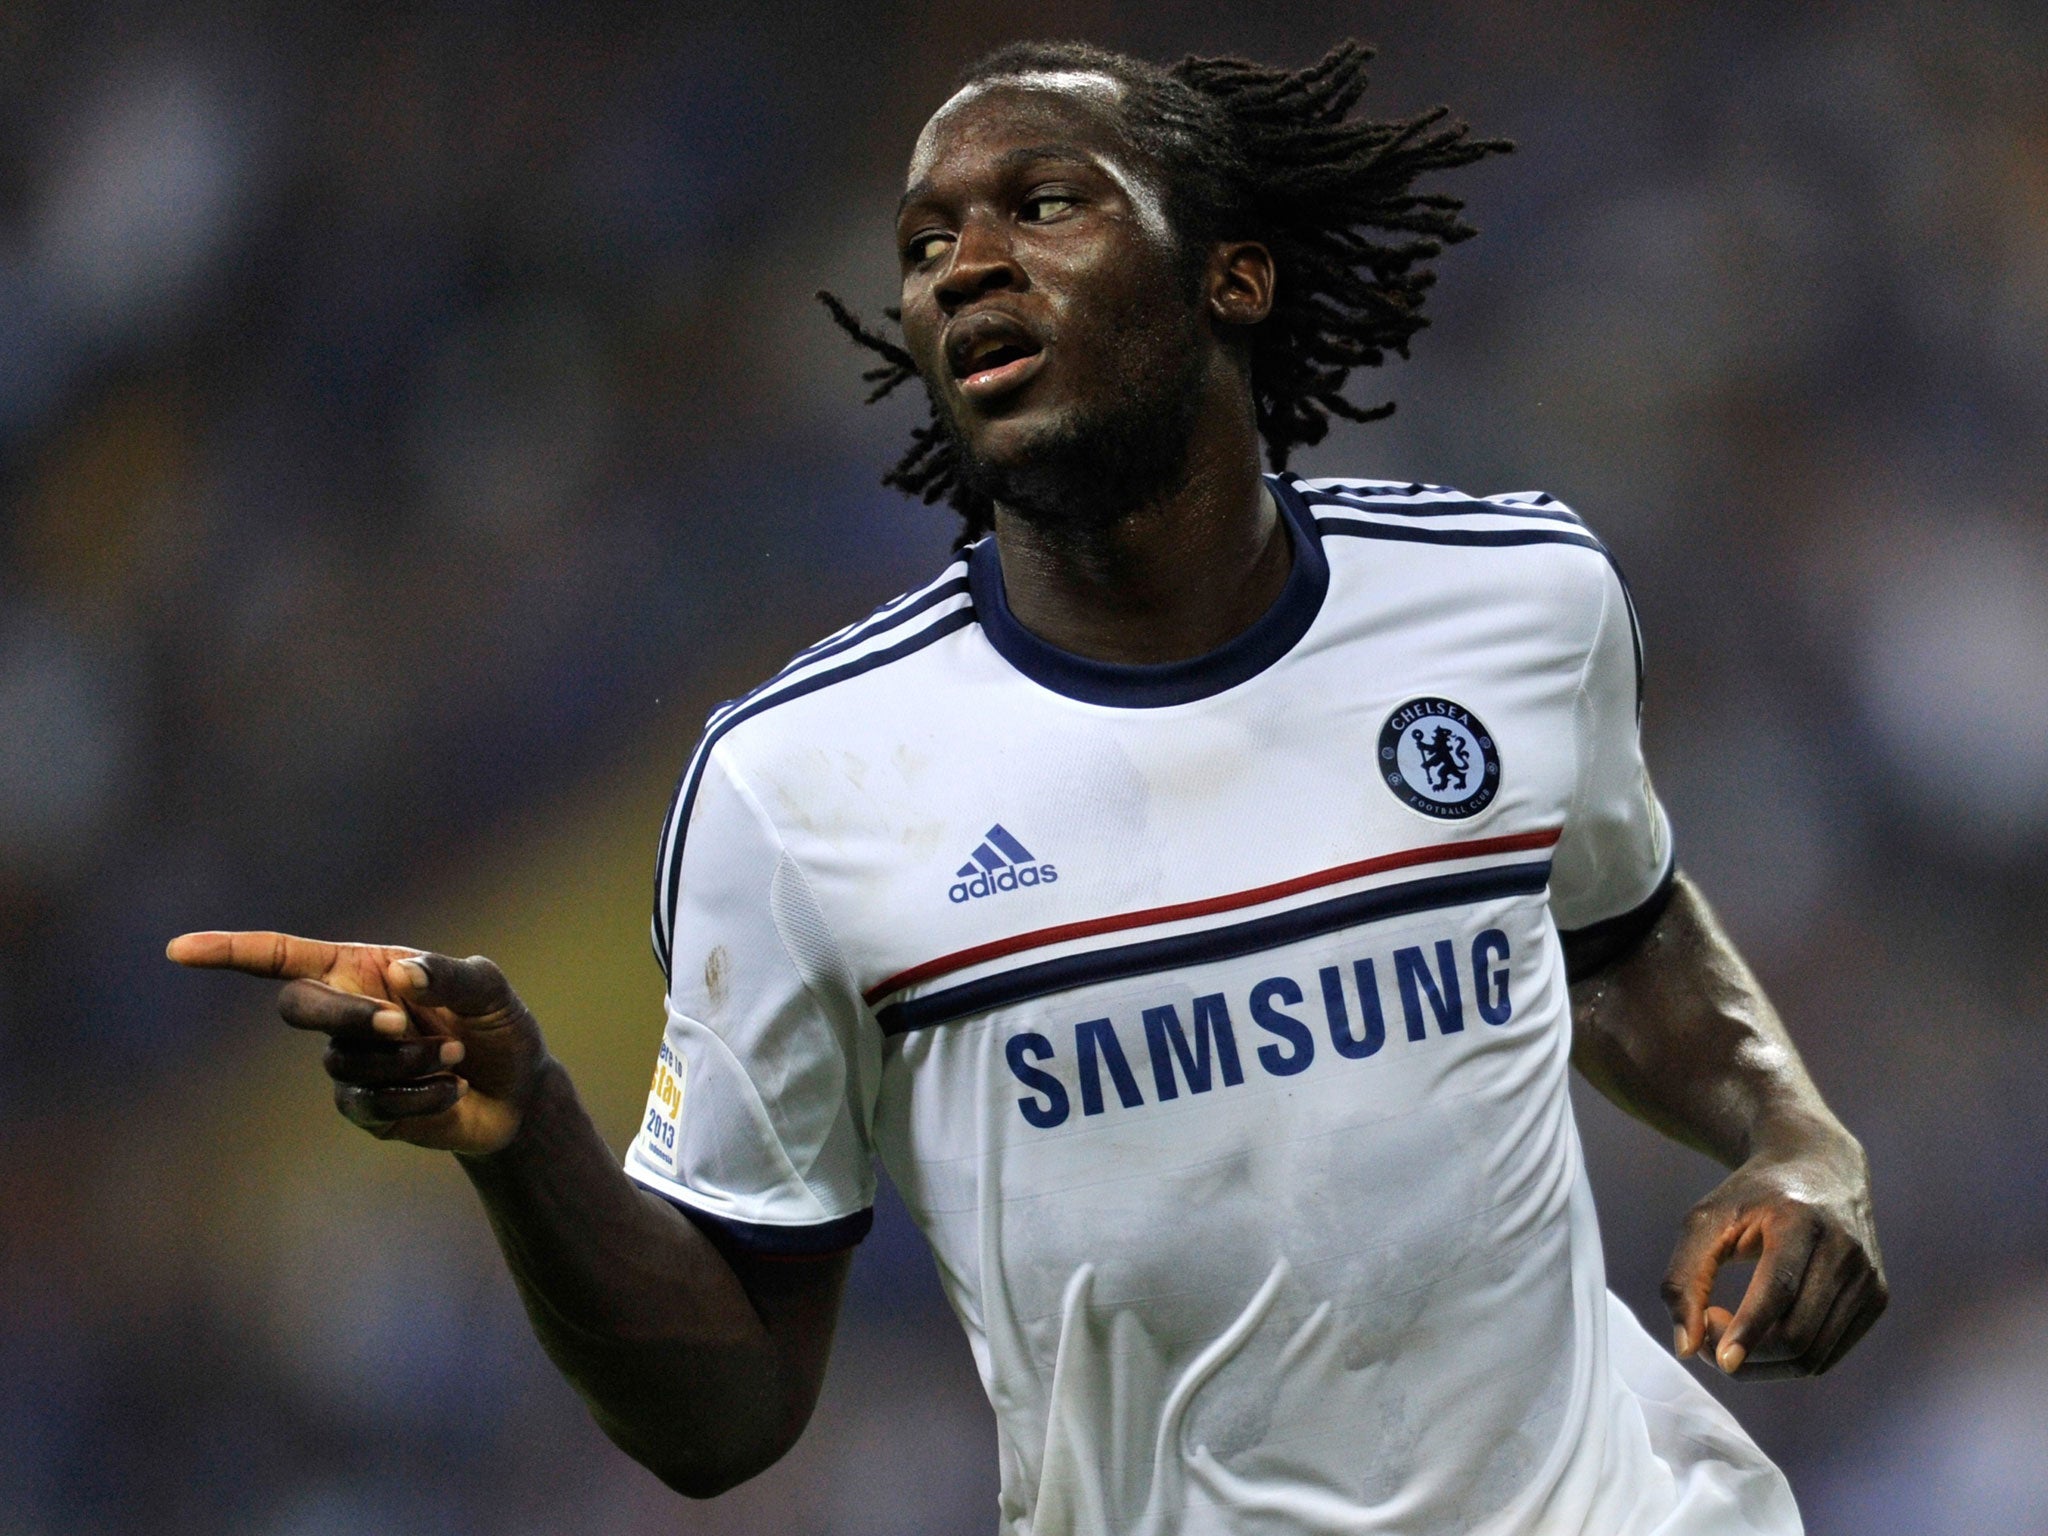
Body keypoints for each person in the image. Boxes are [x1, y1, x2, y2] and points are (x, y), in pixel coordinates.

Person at [170, 39, 1886, 1535]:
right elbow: (723, 1421)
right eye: (925, 245)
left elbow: (1618, 931)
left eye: (1042, 206)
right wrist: (525, 1136)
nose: (966, 263)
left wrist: (1797, 1143)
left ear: (1231, 276)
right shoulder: (799, 786)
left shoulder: (1518, 603)